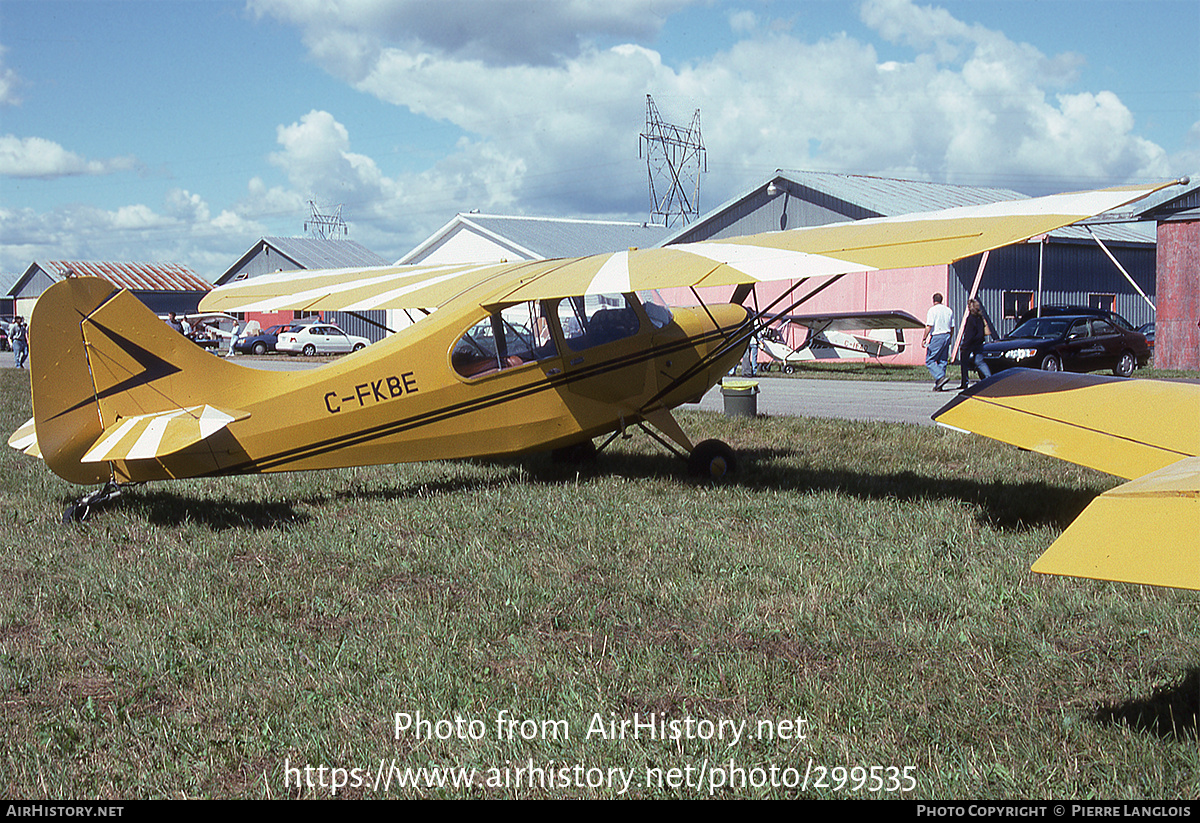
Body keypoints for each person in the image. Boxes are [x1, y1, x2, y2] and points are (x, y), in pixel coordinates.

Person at [922, 293, 955, 391]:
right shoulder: (948, 310)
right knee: (942, 360)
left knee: (930, 360)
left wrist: (924, 338)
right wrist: (950, 337)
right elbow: (952, 326)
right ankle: (939, 385)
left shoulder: (932, 310)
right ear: (941, 300)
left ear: (933, 300)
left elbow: (929, 325)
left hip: (937, 335)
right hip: (947, 334)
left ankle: (940, 376)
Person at [958, 298, 992, 390]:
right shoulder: (980, 317)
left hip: (970, 343)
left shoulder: (970, 318)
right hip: (979, 342)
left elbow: (969, 334)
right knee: (979, 361)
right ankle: (989, 377)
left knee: (964, 362)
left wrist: (964, 345)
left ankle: (964, 382)